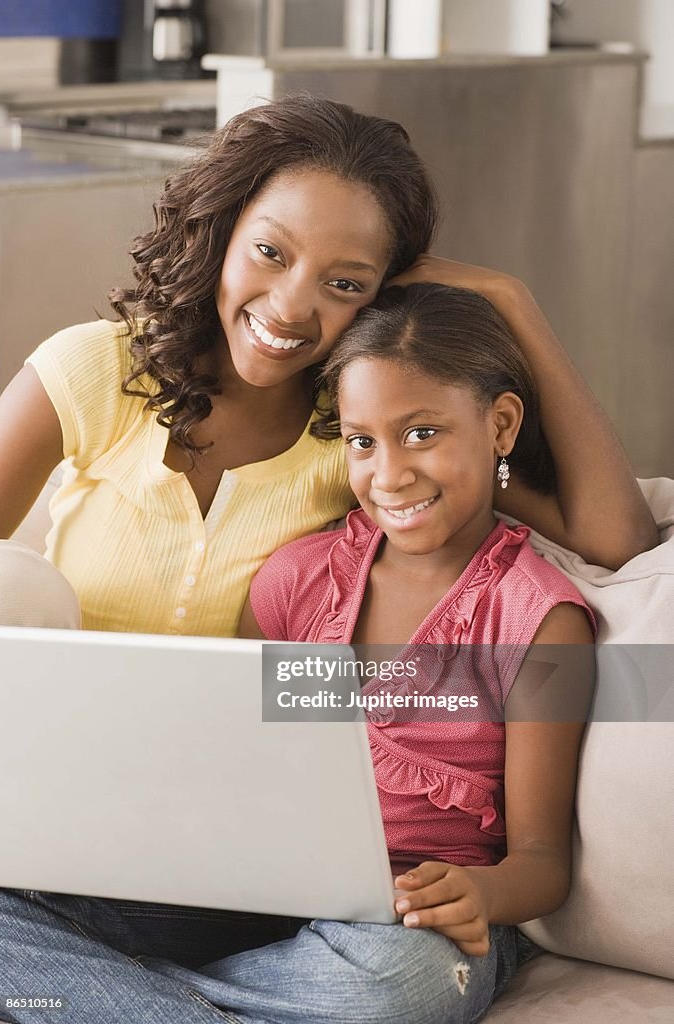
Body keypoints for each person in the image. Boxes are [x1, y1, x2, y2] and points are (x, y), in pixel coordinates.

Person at [0, 96, 657, 638]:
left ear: (380, 297)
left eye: (344, 284)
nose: (288, 309)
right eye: (270, 253)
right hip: (58, 746)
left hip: (233, 764)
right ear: (222, 232)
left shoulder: (368, 432)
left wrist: (513, 302)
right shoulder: (96, 369)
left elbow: (612, 541)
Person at [234, 281, 597, 1022]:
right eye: (362, 441)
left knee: (396, 989)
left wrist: (481, 893)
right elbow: (239, 765)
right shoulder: (296, 579)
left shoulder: (536, 622)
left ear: (499, 426)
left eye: (422, 433)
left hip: (407, 927)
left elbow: (541, 862)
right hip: (257, 889)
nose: (389, 474)